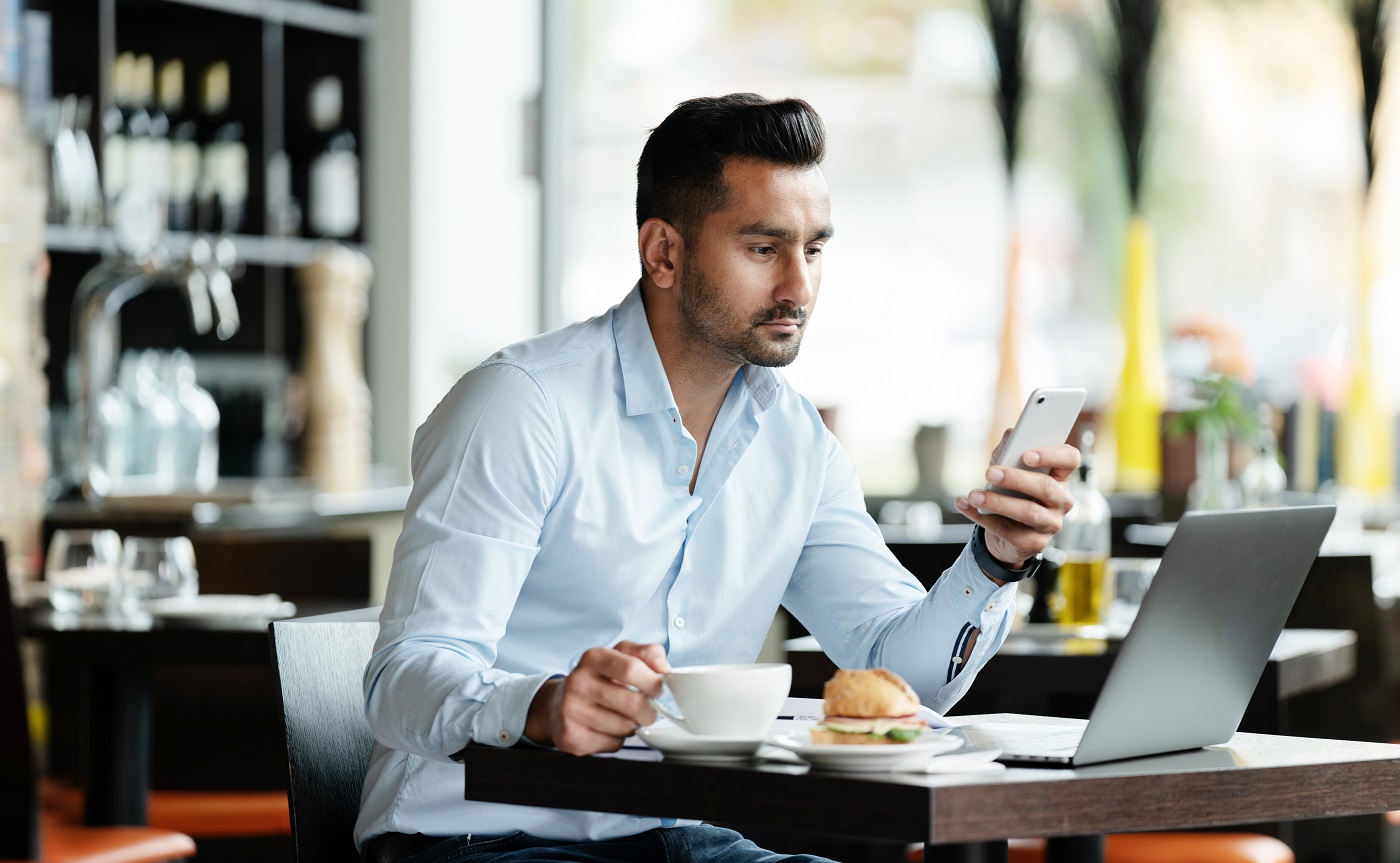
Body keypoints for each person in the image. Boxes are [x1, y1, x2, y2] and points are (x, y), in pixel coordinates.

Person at [357, 93, 1078, 863]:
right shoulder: (520, 407)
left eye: (815, 249)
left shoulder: (797, 443)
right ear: (663, 252)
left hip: (673, 833)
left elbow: (901, 678)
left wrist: (994, 561)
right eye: (764, 249)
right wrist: (538, 704)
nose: (799, 287)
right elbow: (403, 678)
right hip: (476, 836)